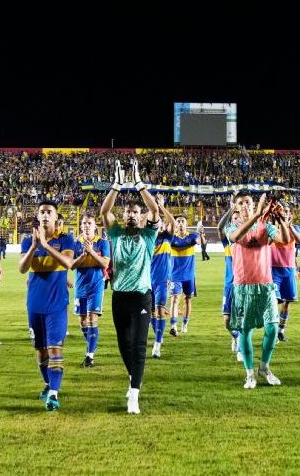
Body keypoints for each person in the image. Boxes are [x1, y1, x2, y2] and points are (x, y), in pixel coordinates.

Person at [100, 159, 160, 414]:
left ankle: (134, 392)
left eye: (136, 212)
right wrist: (116, 186)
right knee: (123, 344)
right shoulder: (116, 234)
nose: (132, 215)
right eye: (128, 212)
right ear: (124, 216)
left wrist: (139, 184)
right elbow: (104, 213)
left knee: (138, 344)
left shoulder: (148, 235)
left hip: (142, 297)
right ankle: (134, 378)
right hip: (119, 297)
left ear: (140, 216)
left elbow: (155, 212)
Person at [225, 191, 287, 388]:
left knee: (272, 328)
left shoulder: (265, 225)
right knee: (245, 331)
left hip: (265, 285)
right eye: (241, 203)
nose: (244, 205)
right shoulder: (232, 226)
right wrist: (257, 214)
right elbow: (236, 237)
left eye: (248, 202)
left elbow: (284, 239)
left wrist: (282, 220)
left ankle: (264, 367)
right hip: (243, 287)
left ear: (253, 205)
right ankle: (250, 373)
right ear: (236, 207)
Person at [19, 200, 75, 411]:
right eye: (41, 212)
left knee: (54, 349)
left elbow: (68, 263)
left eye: (49, 212)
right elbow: (22, 269)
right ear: (38, 215)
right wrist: (35, 246)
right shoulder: (27, 241)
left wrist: (46, 245)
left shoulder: (65, 239)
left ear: (55, 217)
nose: (44, 215)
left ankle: (53, 393)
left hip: (57, 304)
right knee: (40, 351)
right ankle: (47, 384)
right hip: (34, 303)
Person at [70, 212, 110, 367]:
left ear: (95, 226)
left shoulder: (102, 243)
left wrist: (91, 252)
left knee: (92, 319)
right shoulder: (75, 243)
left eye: (89, 223)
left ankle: (90, 355)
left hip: (96, 286)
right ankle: (92, 343)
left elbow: (105, 264)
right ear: (80, 226)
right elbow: (71, 265)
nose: (86, 226)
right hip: (80, 287)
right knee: (82, 321)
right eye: (84, 223)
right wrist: (83, 256)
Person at [168, 213, 205, 335]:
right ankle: (173, 326)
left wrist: (200, 234)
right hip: (175, 276)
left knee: (188, 299)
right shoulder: (172, 238)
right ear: (175, 224)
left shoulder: (193, 236)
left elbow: (199, 242)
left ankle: (185, 323)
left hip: (189, 276)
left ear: (186, 224)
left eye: (182, 221)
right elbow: (184, 243)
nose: (180, 223)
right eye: (178, 221)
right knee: (174, 299)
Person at [271, 203, 300, 342]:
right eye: (283, 211)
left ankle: (281, 331)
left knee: (287, 302)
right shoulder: (271, 228)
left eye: (287, 211)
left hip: (289, 269)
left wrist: (288, 226)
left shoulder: (294, 228)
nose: (285, 213)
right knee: (274, 301)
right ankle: (272, 331)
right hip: (274, 269)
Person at [217, 197, 242, 361]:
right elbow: (220, 227)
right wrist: (230, 210)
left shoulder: (247, 238)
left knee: (242, 318)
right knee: (227, 320)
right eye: (234, 218)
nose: (237, 219)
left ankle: (240, 345)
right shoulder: (227, 242)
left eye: (239, 217)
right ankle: (235, 335)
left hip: (243, 284)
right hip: (229, 285)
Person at [150, 194, 173, 358]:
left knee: (158, 311)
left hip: (162, 280)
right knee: (151, 312)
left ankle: (157, 345)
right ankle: (158, 335)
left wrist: (161, 206)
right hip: (146, 281)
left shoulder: (167, 238)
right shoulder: (148, 236)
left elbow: (171, 222)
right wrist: (152, 207)